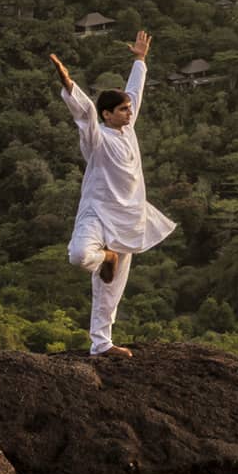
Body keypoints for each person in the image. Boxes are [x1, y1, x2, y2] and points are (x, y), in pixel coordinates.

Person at [51, 29, 175, 359]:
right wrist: (68, 83)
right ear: (108, 114)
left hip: (127, 217)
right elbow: (84, 113)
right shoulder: (97, 138)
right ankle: (106, 257)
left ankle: (102, 344)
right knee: (79, 257)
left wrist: (139, 60)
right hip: (97, 213)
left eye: (128, 109)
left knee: (110, 290)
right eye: (122, 110)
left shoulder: (128, 129)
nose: (129, 112)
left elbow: (135, 91)